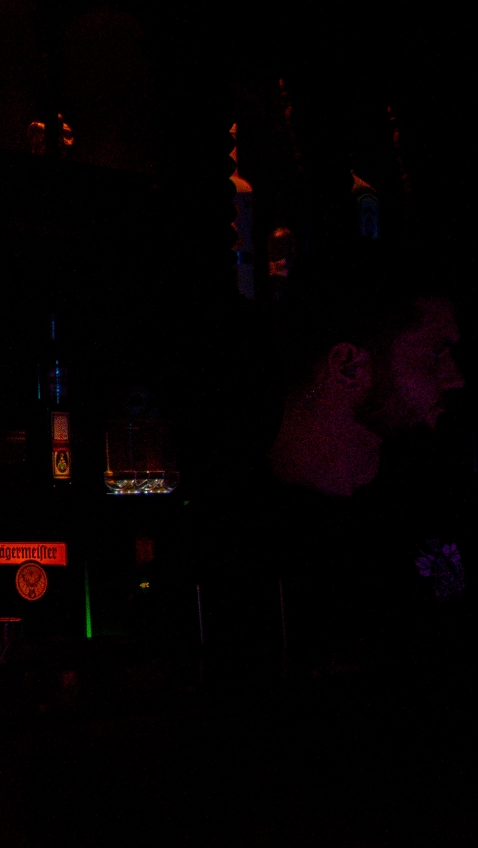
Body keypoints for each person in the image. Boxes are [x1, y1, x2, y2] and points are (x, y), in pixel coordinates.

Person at [200, 251, 468, 685]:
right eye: (436, 352)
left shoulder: (436, 496)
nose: (456, 378)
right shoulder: (232, 532)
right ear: (347, 366)